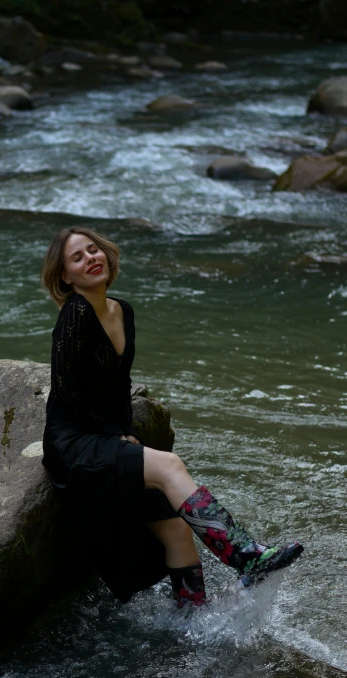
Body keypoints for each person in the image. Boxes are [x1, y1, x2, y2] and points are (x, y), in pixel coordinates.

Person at [41, 226, 303, 607]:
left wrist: (126, 430)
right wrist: (112, 433)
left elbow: (119, 384)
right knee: (169, 465)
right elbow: (64, 388)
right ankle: (245, 556)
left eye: (93, 250)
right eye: (77, 258)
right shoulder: (76, 312)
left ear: (106, 255)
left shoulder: (121, 310)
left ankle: (191, 620)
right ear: (66, 276)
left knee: (177, 528)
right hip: (73, 445)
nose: (90, 259)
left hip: (105, 436)